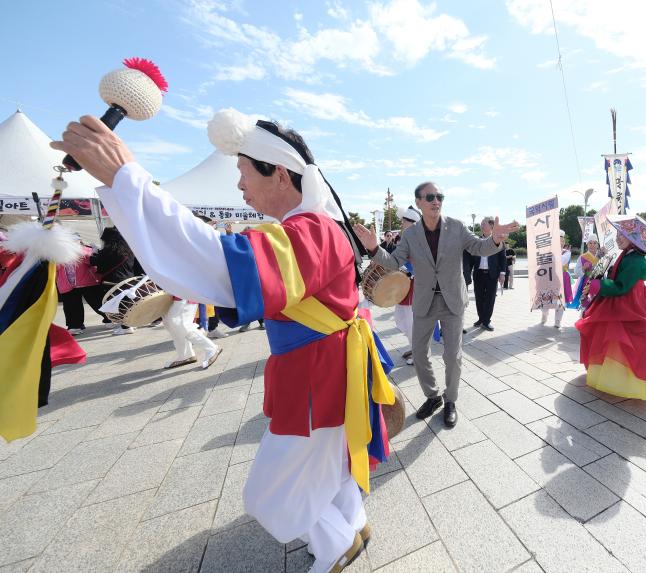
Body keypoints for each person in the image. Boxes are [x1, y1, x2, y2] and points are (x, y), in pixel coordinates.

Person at [52, 109, 396, 573]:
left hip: (320, 382)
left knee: (268, 496)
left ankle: (339, 545)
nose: (239, 186)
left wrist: (127, 177)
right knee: (328, 467)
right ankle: (352, 526)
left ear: (277, 172)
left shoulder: (310, 229)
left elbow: (221, 264)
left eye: (243, 172)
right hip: (326, 374)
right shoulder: (315, 225)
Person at [353, 182, 517, 428]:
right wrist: (374, 248)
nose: (436, 200)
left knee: (453, 355)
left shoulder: (457, 227)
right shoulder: (410, 235)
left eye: (439, 196)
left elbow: (479, 247)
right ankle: (433, 396)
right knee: (419, 353)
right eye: (429, 197)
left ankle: (450, 401)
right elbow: (395, 261)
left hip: (452, 301)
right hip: (425, 301)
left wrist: (494, 239)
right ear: (418, 202)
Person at [575, 215, 646, 400]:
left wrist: (599, 286)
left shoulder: (636, 261)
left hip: (628, 306)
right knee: (617, 340)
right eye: (619, 233)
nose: (618, 237)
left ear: (635, 240)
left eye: (623, 235)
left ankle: (621, 380)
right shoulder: (627, 256)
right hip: (622, 303)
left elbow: (621, 287)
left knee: (622, 339)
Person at [90, 226, 138, 335]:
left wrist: (94, 252)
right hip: (129, 279)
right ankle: (130, 324)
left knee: (120, 304)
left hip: (113, 282)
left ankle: (126, 327)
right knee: (128, 303)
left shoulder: (109, 249)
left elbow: (95, 261)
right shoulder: (128, 248)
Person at [56, 239, 106, 334]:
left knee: (98, 302)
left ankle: (110, 318)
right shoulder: (56, 254)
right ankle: (74, 325)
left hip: (87, 282)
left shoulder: (84, 250)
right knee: (70, 306)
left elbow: (93, 262)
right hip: (67, 284)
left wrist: (93, 253)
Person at [392, 206, 422, 366]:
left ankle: (420, 354)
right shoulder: (407, 237)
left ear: (413, 222)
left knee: (411, 322)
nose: (402, 223)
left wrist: (407, 269)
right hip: (405, 285)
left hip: (414, 286)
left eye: (404, 221)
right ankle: (414, 347)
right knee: (401, 319)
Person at [162, 297, 222, 369]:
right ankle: (185, 354)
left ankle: (211, 348)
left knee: (180, 324)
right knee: (170, 324)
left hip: (182, 293)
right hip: (170, 294)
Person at [471, 217, 508, 331]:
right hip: (478, 274)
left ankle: (486, 321)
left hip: (492, 274)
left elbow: (503, 259)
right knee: (479, 297)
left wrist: (502, 273)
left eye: (484, 224)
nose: (481, 225)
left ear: (492, 226)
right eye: (481, 223)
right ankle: (481, 319)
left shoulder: (498, 240)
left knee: (490, 298)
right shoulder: (476, 240)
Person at [570, 234, 602, 310]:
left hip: (600, 282)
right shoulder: (583, 257)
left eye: (595, 243)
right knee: (586, 305)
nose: (592, 245)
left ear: (598, 244)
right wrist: (583, 268)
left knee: (598, 305)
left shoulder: (602, 255)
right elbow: (576, 272)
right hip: (587, 283)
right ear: (587, 244)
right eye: (590, 243)